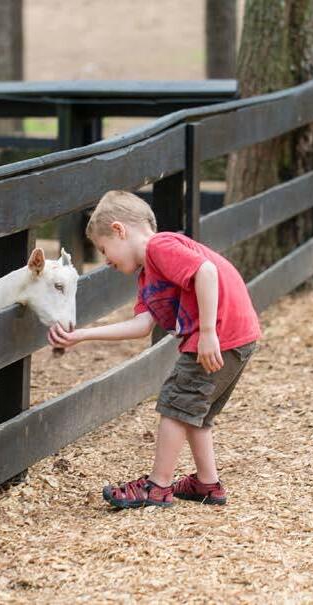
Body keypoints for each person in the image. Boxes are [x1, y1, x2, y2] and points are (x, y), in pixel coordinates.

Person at [48, 190, 261, 508]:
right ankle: (207, 484)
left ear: (119, 230)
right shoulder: (148, 276)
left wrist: (207, 333)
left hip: (217, 334)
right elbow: (142, 325)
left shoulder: (159, 247)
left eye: (104, 249)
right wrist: (82, 335)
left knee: (175, 405)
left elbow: (205, 272)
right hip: (235, 335)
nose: (106, 260)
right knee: (194, 412)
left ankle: (157, 486)